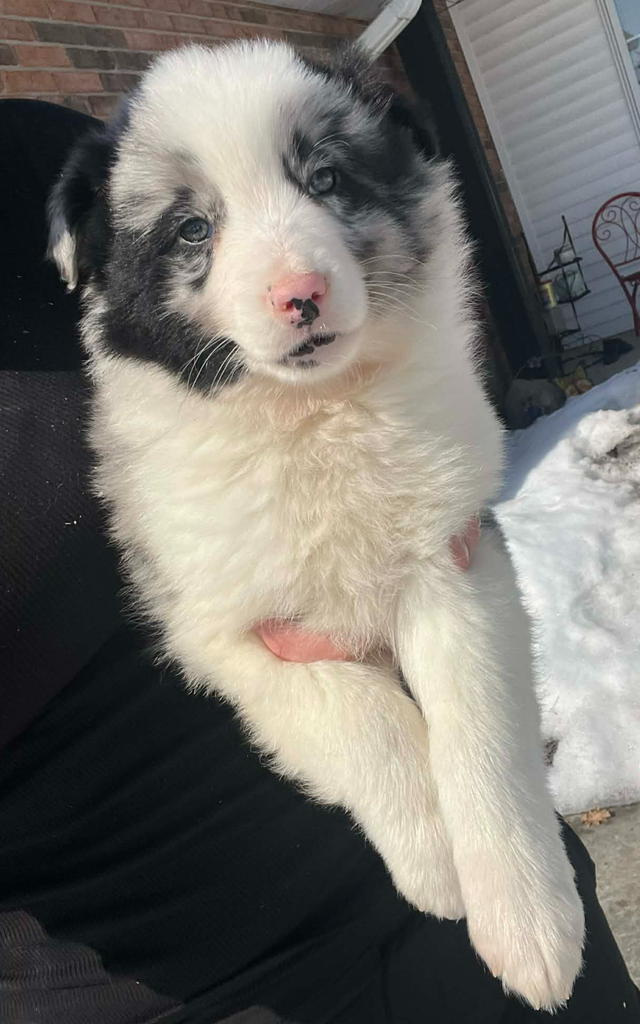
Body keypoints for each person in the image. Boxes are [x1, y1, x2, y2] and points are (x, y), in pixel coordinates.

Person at [1, 97, 638, 1024]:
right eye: (195, 229)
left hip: (473, 878)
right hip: (187, 986)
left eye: (323, 182)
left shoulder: (45, 156)